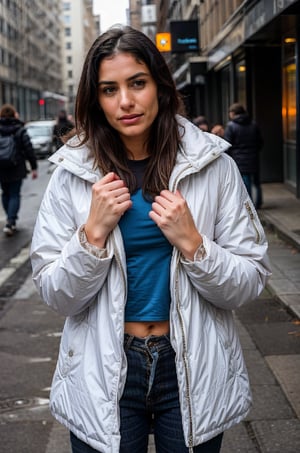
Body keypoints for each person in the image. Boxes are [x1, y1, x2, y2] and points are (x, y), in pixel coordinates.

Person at [30, 26, 271, 453]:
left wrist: (195, 245)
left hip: (191, 365)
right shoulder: (72, 176)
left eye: (137, 83)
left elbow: (249, 280)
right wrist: (93, 235)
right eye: (109, 89)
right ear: (95, 98)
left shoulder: (211, 166)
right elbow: (56, 295)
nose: (125, 101)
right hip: (103, 367)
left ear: (159, 85)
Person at [0, 104, 37, 236]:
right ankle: (11, 222)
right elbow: (28, 148)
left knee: (5, 192)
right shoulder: (19, 129)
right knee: (14, 194)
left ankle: (10, 220)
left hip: (1, 167)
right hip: (16, 166)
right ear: (14, 115)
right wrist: (34, 167)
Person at [224, 103, 264, 209]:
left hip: (239, 159)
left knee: (246, 183)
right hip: (253, 157)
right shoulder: (253, 124)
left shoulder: (231, 126)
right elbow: (260, 142)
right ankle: (259, 203)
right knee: (256, 181)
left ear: (233, 113)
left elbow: (227, 144)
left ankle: (250, 206)